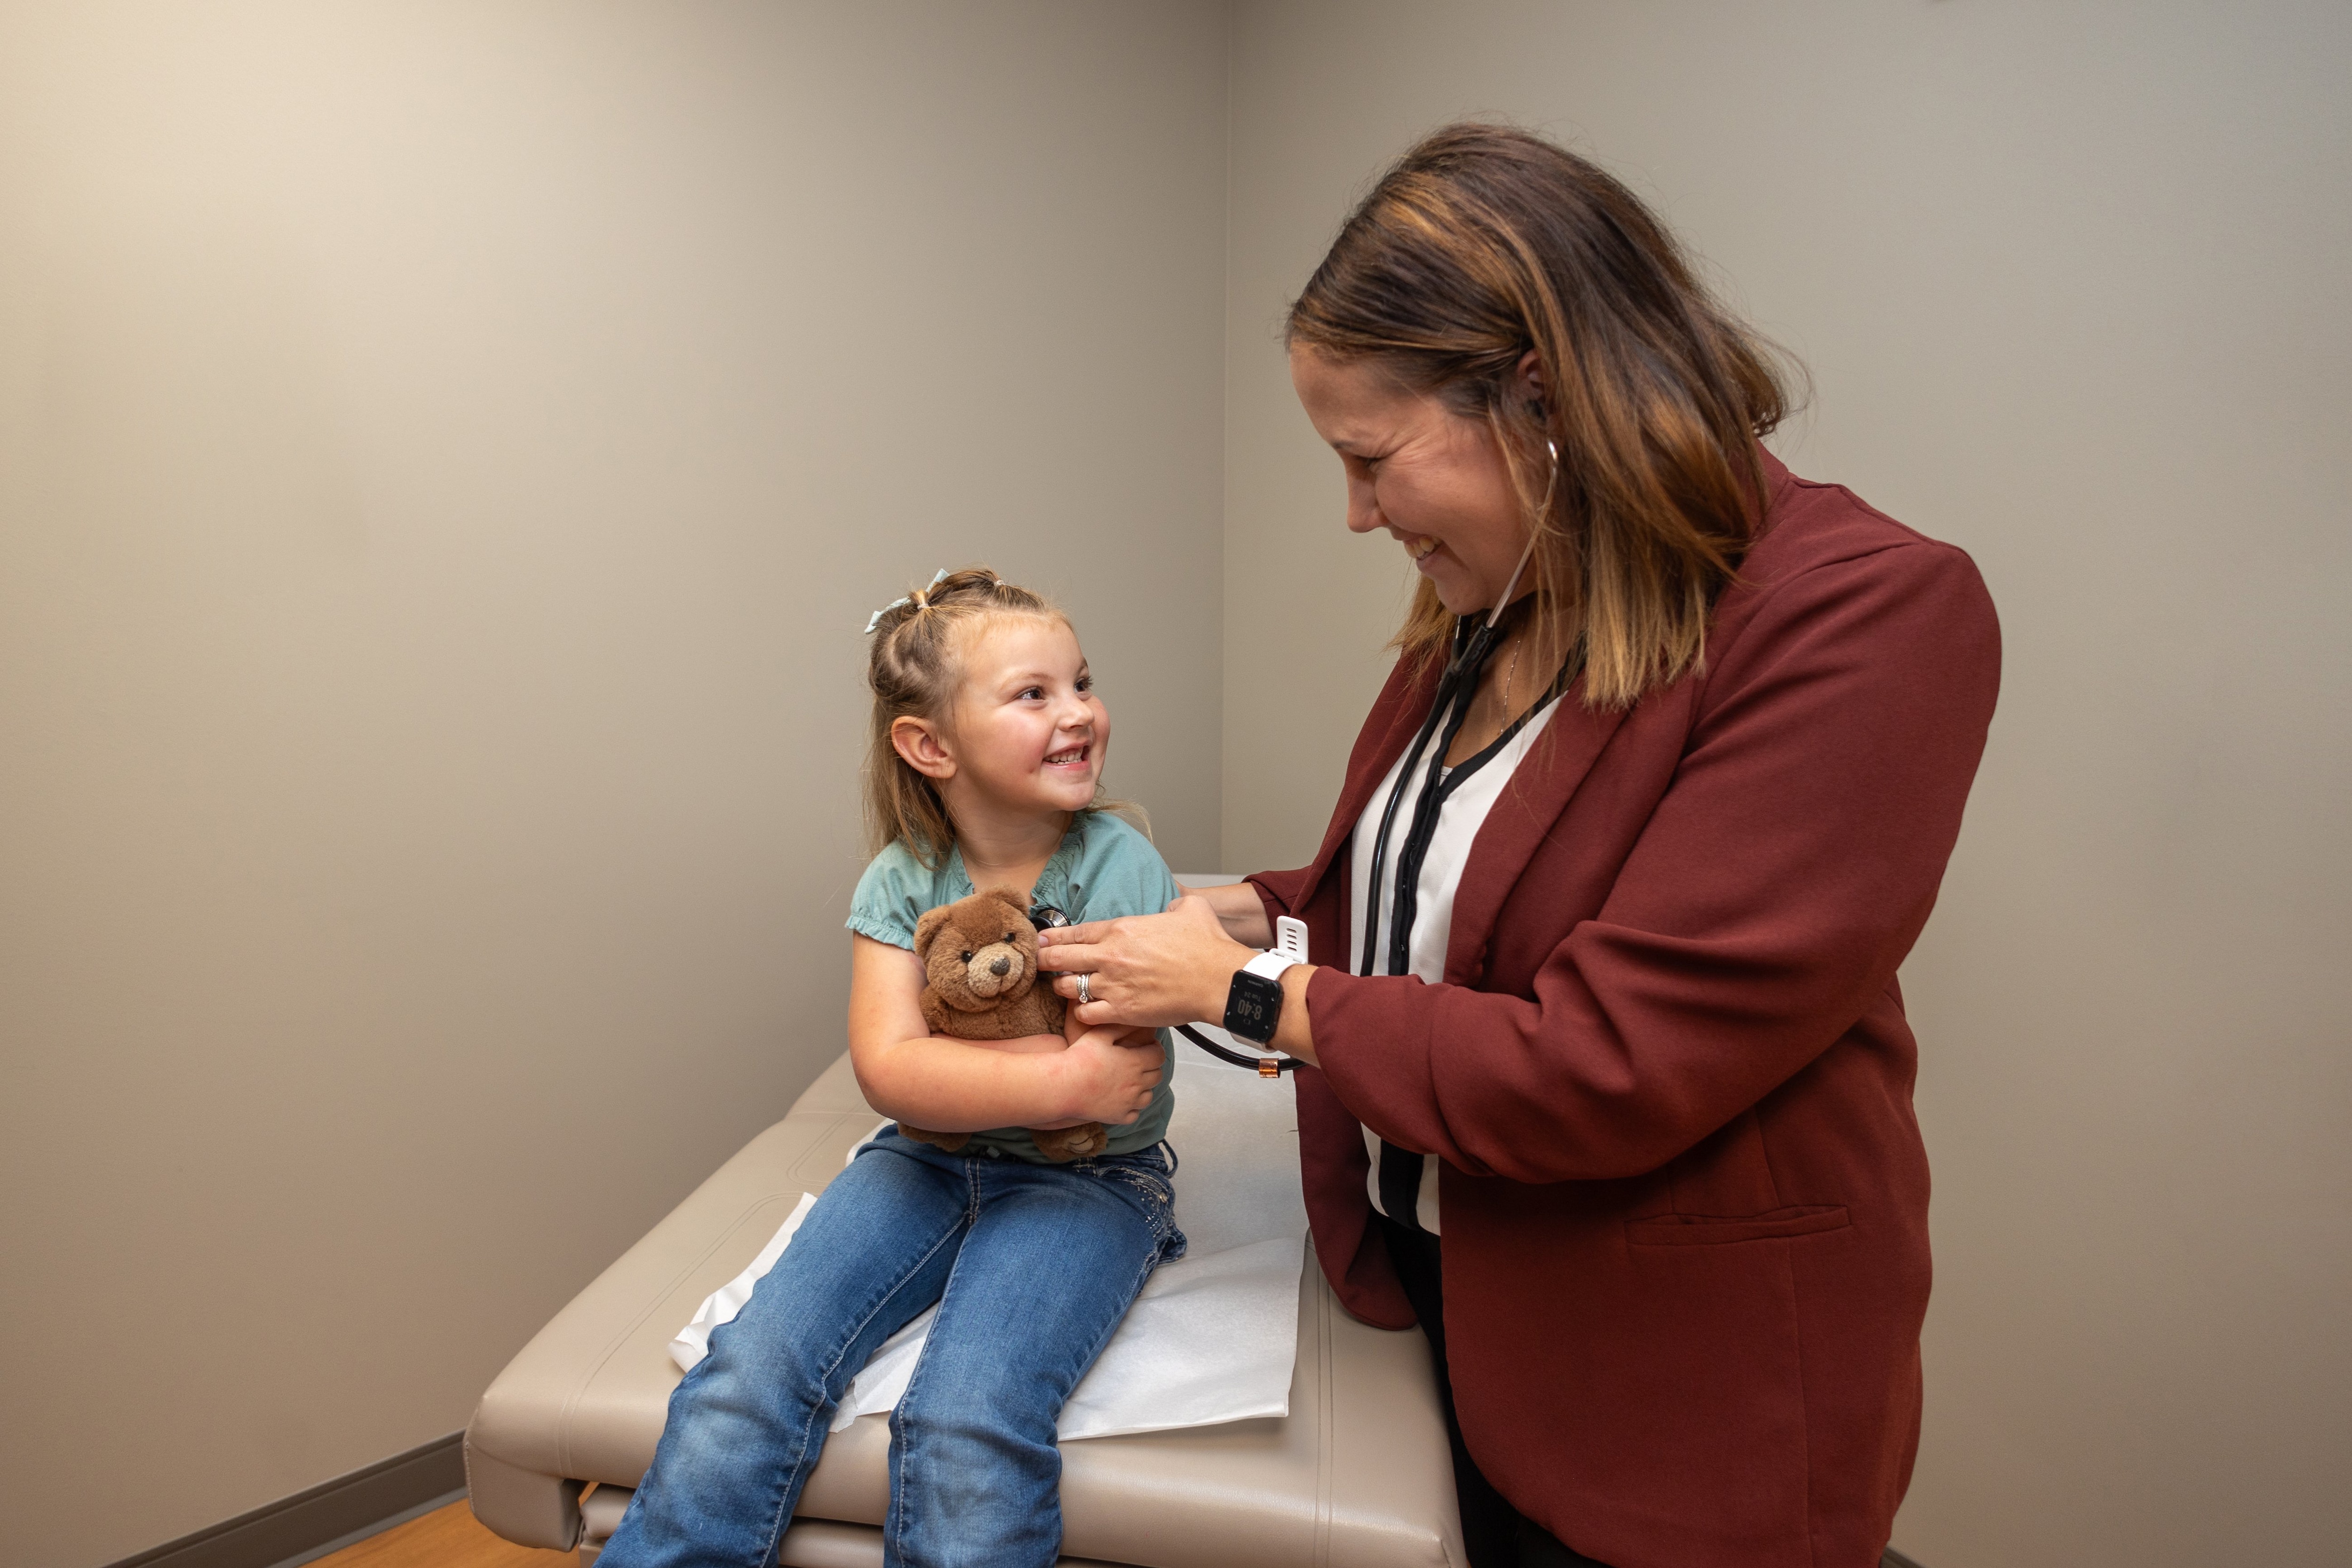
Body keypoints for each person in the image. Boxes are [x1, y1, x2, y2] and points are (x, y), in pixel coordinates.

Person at [1037, 125, 2000, 1568]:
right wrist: (1232, 908)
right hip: (1451, 1286)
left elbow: (1604, 1057)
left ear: (1539, 395)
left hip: (1675, 1380)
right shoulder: (1503, 590)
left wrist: (1240, 993)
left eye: (1370, 458)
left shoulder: (1863, 616)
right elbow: (1441, 885)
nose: (1356, 513)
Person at [597, 568, 1182, 1568]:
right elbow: (892, 1071)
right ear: (930, 746)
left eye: (1081, 682)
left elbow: (1118, 1079)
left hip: (1087, 1180)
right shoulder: (901, 876)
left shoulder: (1119, 864)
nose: (1080, 712)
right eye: (1034, 694)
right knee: (751, 1368)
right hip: (918, 1159)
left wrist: (969, 1069)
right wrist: (1055, 1079)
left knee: (967, 1414)